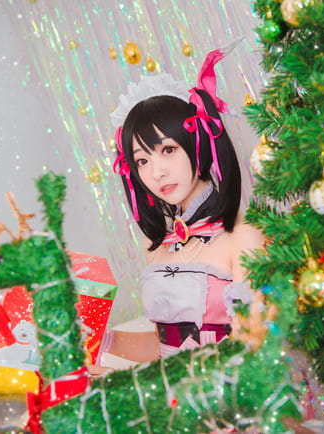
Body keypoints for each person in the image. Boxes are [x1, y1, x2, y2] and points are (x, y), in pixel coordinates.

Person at [89, 42, 264, 373]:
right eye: (142, 161)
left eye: (167, 151)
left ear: (197, 144)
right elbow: (165, 349)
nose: (156, 173)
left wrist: (137, 388)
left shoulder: (244, 236)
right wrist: (102, 342)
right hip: (176, 397)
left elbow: (252, 358)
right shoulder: (157, 246)